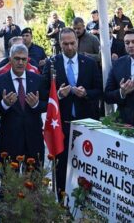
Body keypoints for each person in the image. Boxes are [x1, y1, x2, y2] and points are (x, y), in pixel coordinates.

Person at [43, 28, 102, 199]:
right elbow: (43, 91)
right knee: (62, 169)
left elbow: (99, 90)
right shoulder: (52, 63)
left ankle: (85, 204)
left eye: (72, 43)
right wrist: (59, 95)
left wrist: (86, 94)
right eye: (65, 44)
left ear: (77, 41)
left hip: (86, 126)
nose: (69, 47)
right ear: (59, 43)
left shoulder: (89, 63)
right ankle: (62, 203)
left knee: (86, 167)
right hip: (62, 125)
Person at [0, 43, 48, 167]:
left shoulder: (38, 80)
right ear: (10, 59)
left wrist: (36, 104)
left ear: (28, 60)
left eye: (24, 59)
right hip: (9, 141)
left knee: (33, 183)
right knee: (10, 183)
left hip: (33, 141)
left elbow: (47, 105)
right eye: (17, 59)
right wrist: (4, 104)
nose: (20, 62)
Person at [105, 29, 134, 127]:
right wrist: (122, 92)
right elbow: (107, 96)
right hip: (125, 125)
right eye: (127, 43)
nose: (130, 45)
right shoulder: (118, 64)